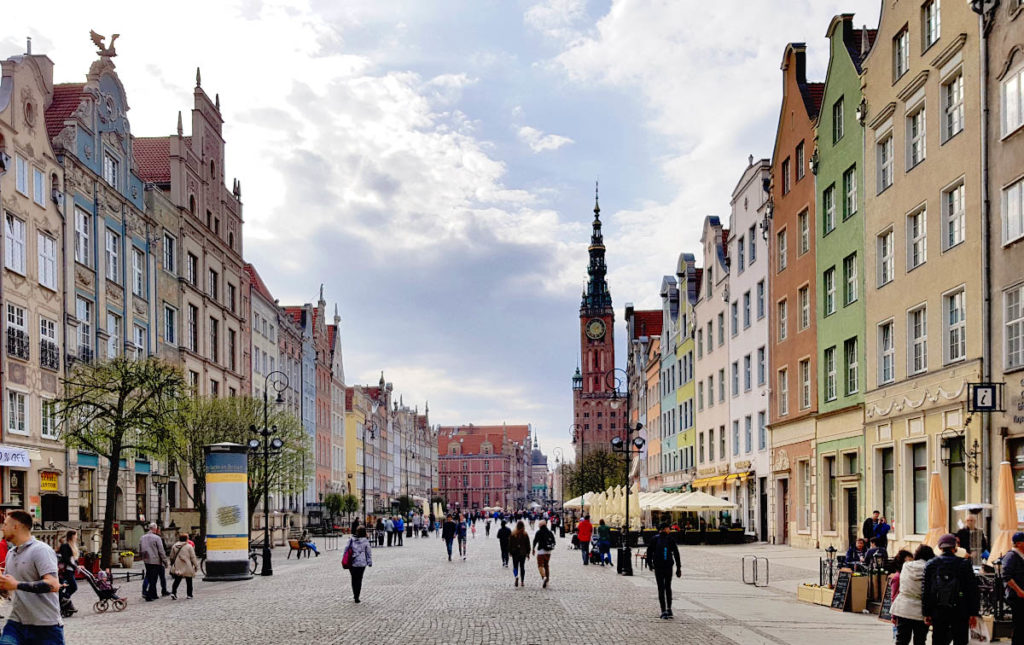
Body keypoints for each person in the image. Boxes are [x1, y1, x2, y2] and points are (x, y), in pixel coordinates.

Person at [0, 509, 63, 644]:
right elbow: (8, 588)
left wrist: (16, 585)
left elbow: (53, 585)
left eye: (5, 524)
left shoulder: (41, 550)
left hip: (45, 626)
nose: (2, 528)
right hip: (16, 623)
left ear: (15, 526)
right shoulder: (11, 553)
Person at [922, 533, 980, 645]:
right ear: (955, 548)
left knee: (939, 639)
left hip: (938, 610)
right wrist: (973, 613)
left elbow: (926, 591)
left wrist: (926, 613)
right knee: (960, 639)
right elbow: (972, 589)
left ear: (940, 548)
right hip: (960, 609)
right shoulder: (964, 564)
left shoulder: (931, 564)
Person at [890, 544, 934, 645]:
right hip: (920, 610)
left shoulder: (906, 566)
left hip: (903, 608)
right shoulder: (931, 569)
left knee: (901, 640)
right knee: (920, 640)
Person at [646, 522, 682, 620]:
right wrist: (678, 568)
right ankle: (668, 609)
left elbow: (649, 552)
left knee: (661, 588)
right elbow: (676, 553)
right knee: (667, 587)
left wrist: (650, 564)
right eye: (668, 528)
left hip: (659, 566)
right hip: (667, 566)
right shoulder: (669, 539)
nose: (669, 530)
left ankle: (664, 610)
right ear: (663, 529)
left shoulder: (656, 539)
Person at [1000, 531, 1024, 645]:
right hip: (1017, 596)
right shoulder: (1011, 556)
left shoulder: (1021, 555)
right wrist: (1019, 591)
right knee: (1019, 625)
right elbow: (1006, 576)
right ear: (1019, 543)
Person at [139, 523, 169, 601]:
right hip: (155, 560)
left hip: (146, 560)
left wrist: (143, 557)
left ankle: (154, 594)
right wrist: (165, 561)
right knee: (154, 579)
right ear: (155, 529)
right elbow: (161, 551)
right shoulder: (157, 538)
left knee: (149, 576)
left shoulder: (142, 537)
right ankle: (149, 595)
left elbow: (140, 548)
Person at [168, 533, 199, 600]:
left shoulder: (174, 546)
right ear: (187, 539)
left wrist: (172, 563)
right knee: (189, 580)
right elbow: (193, 557)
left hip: (178, 565)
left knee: (177, 580)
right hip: (187, 565)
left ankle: (173, 592)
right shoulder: (189, 546)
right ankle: (189, 594)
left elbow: (171, 556)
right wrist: (196, 566)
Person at [346, 527, 373, 603]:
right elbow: (368, 553)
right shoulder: (365, 541)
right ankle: (357, 596)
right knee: (359, 579)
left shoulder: (351, 540)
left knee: (353, 578)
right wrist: (369, 562)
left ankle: (355, 594)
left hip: (352, 561)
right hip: (361, 562)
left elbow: (346, 550)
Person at [56, 531, 78, 614]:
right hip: (66, 570)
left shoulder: (71, 546)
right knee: (73, 586)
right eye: (75, 536)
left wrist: (77, 565)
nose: (76, 537)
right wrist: (74, 566)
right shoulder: (66, 546)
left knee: (71, 586)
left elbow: (73, 559)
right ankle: (64, 600)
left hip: (70, 569)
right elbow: (66, 559)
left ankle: (64, 600)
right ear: (72, 536)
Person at [532, 520, 556, 588]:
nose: (538, 526)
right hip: (548, 552)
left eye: (539, 525)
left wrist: (533, 548)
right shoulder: (550, 532)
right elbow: (554, 541)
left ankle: (544, 577)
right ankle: (547, 580)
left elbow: (535, 541)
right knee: (546, 565)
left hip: (541, 551)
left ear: (541, 525)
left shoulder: (539, 532)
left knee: (540, 565)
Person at [508, 521, 531, 587]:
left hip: (515, 552)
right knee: (522, 566)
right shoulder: (525, 534)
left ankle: (516, 576)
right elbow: (528, 544)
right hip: (522, 552)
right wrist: (528, 553)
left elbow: (510, 544)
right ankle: (522, 581)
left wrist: (509, 552)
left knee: (515, 566)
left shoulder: (513, 534)